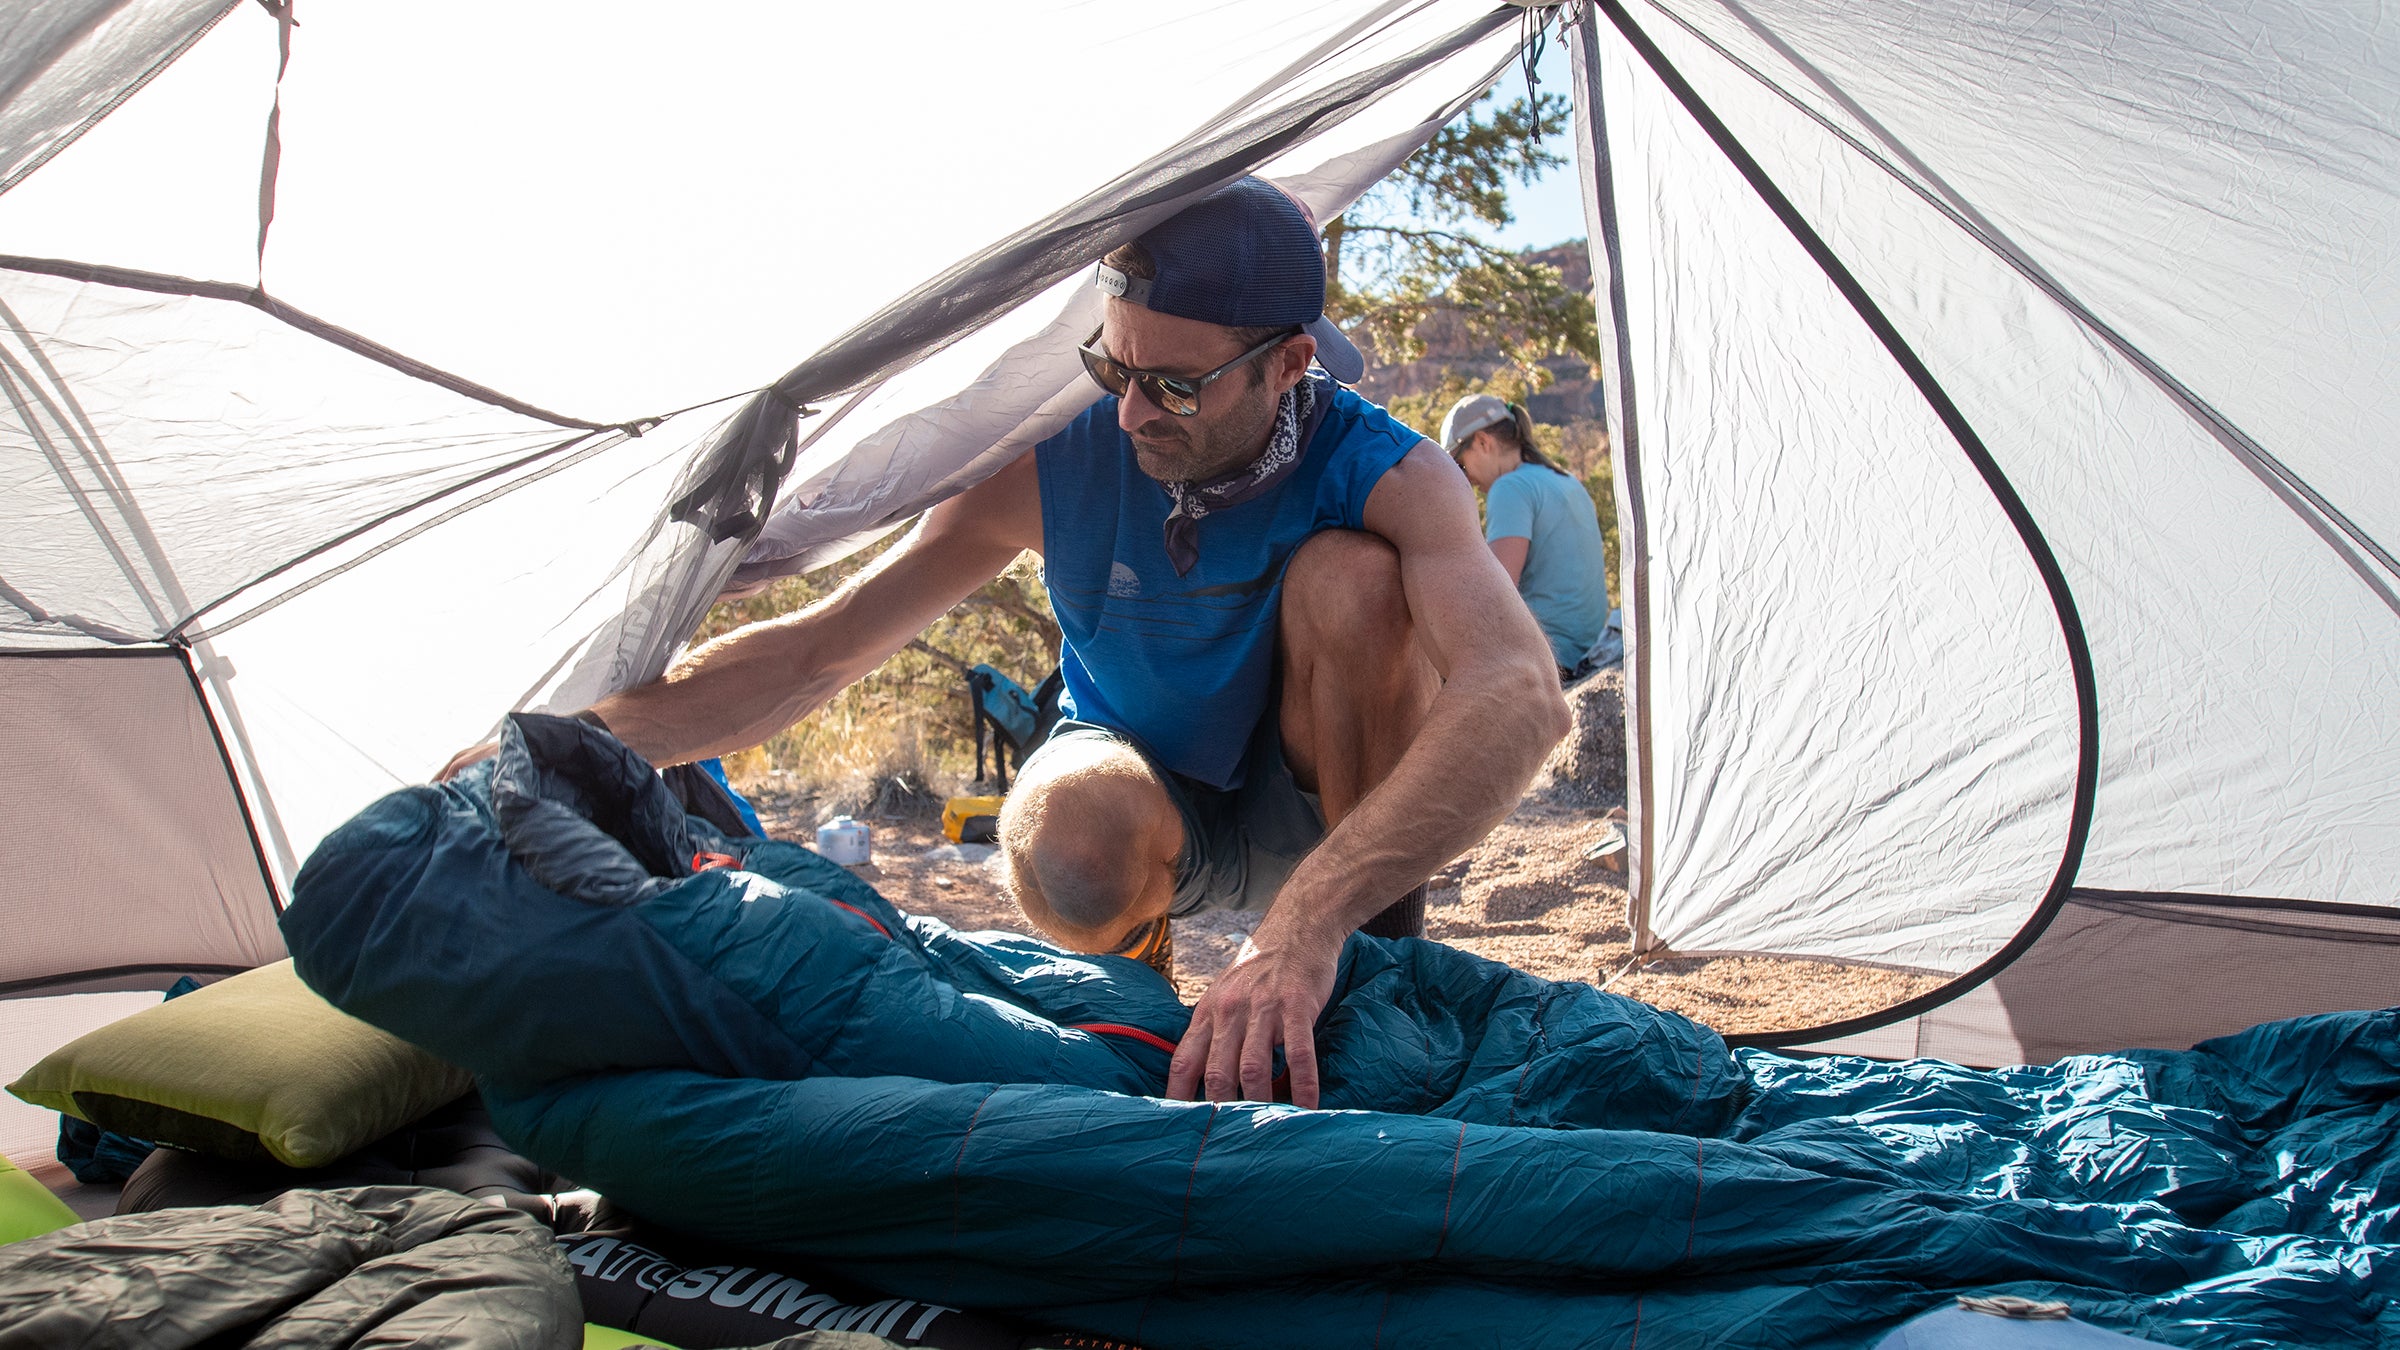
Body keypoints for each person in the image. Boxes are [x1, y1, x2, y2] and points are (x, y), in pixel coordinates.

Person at [443, 178, 1567, 1109]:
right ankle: (1138, 1020)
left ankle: (1362, 981)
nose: (1134, 415)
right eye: (1115, 370)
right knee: (1069, 842)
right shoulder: (1059, 456)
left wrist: (1307, 923)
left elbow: (1522, 695)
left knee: (1355, 583)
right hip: (1144, 773)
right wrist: (568, 741)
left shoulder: (1390, 468)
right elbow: (823, 650)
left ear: (1286, 366)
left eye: (1176, 384)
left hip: (1327, 808)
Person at [1439, 394, 1611, 683]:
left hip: (1552, 660)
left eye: (1460, 466)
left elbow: (1496, 593)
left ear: (1483, 442)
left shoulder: (1510, 488)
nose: (1464, 480)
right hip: (1588, 650)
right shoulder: (1565, 479)